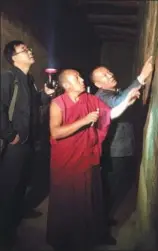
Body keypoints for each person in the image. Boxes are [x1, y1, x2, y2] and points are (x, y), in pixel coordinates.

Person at [46, 69, 141, 251]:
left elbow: (109, 115)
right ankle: (65, 240)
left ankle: (92, 236)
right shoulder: (58, 104)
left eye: (81, 77)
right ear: (66, 85)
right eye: (77, 78)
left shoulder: (90, 99)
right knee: (67, 200)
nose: (82, 80)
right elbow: (56, 132)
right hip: (66, 161)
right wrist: (83, 121)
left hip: (87, 156)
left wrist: (127, 102)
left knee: (90, 198)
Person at [0, 40, 54, 250]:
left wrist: (45, 95)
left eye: (28, 48)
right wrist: (10, 134)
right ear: (14, 58)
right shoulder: (8, 77)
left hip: (29, 141)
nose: (30, 51)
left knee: (22, 182)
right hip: (14, 143)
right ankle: (5, 233)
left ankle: (19, 211)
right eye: (24, 50)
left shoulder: (28, 79)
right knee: (8, 188)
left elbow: (33, 104)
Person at [90, 57, 154, 216]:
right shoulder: (102, 96)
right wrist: (141, 78)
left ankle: (103, 219)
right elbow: (118, 102)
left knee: (115, 186)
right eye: (104, 76)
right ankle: (101, 223)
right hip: (115, 151)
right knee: (111, 188)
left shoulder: (113, 91)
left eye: (108, 72)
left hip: (122, 148)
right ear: (98, 84)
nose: (110, 75)